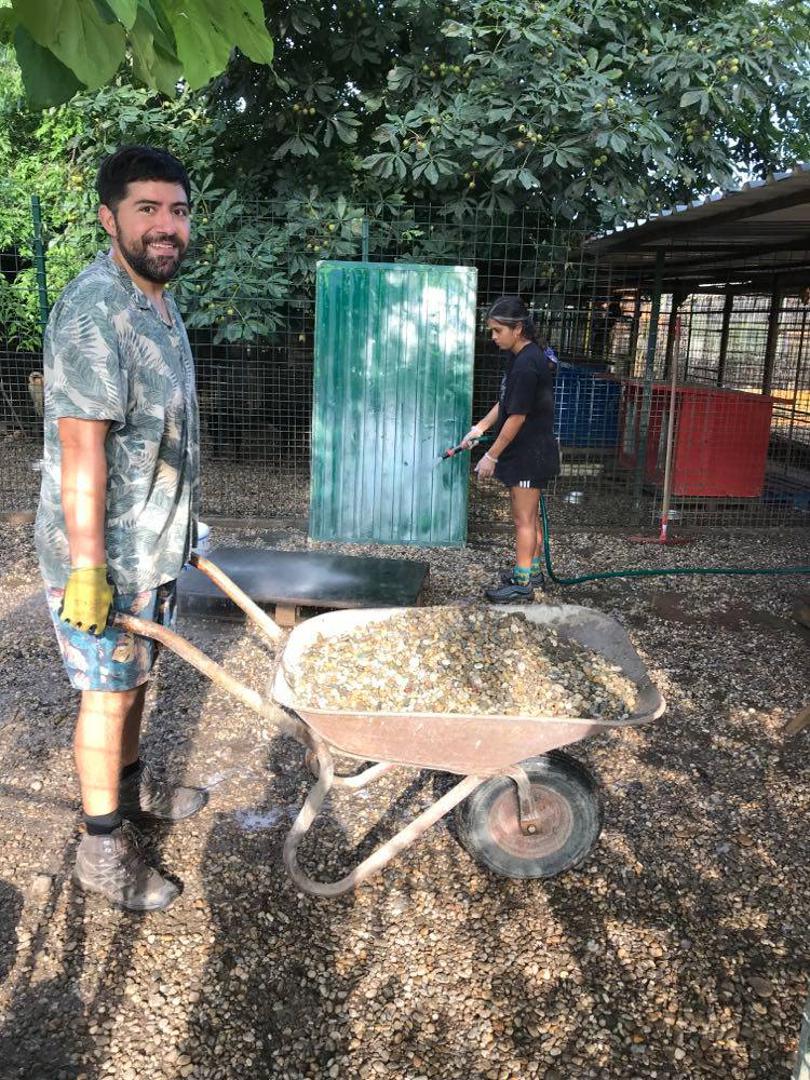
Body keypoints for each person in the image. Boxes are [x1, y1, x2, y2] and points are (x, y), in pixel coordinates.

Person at [34, 145, 204, 911]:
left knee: (136, 680)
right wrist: (87, 568)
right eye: (147, 209)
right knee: (106, 694)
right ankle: (101, 851)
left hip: (153, 541)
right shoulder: (95, 308)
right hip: (102, 553)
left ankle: (131, 803)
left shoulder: (160, 304)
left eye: (176, 210)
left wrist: (189, 524)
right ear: (110, 218)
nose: (166, 226)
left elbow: (158, 437)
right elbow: (82, 449)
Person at [461, 296, 560, 602]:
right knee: (526, 517)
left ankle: (523, 584)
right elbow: (506, 402)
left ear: (517, 329)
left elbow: (517, 416)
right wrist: (479, 429)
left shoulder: (528, 364)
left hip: (531, 454)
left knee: (523, 520)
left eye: (496, 331)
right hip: (525, 451)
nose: (492, 337)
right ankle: (531, 570)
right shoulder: (519, 356)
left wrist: (491, 456)